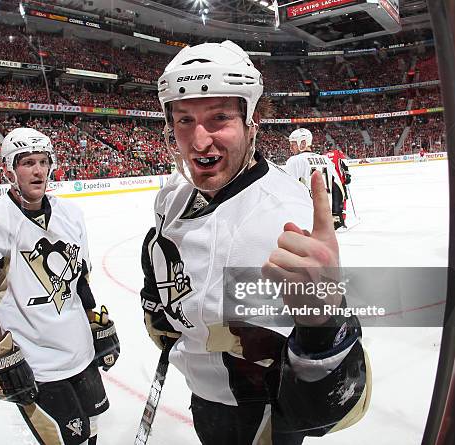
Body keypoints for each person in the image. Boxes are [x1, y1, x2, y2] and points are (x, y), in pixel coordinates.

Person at [141, 40, 370, 445]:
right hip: (204, 398)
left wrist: (325, 319)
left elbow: (334, 409)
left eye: (219, 118)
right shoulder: (173, 197)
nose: (199, 141)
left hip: (265, 414)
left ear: (252, 121)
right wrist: (159, 297)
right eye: (184, 120)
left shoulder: (284, 215)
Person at [0, 128, 119, 445]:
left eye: (43, 161)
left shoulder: (71, 215)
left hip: (80, 352)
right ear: (8, 169)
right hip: (36, 363)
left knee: (92, 431)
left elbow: (79, 278)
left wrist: (93, 321)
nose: (38, 170)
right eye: (28, 162)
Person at [285, 128, 347, 230]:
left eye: (293, 144)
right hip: (325, 216)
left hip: (304, 216)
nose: (291, 148)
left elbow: (287, 190)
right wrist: (337, 214)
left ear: (303, 143)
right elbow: (337, 187)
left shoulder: (294, 161)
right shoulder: (326, 160)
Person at [325, 146, 351, 226]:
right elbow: (345, 163)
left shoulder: (323, 156)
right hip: (339, 181)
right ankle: (341, 221)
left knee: (331, 202)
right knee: (342, 200)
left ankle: (333, 222)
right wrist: (348, 175)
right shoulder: (337, 153)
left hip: (329, 183)